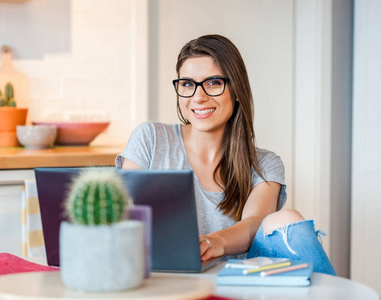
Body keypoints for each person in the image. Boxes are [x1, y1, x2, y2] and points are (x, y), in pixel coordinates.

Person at [115, 34, 336, 275]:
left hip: (236, 280)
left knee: (287, 218)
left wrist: (214, 242)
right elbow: (126, 214)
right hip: (164, 277)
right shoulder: (151, 138)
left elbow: (255, 223)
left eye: (213, 82)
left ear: (237, 90)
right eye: (187, 84)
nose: (199, 97)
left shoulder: (265, 164)